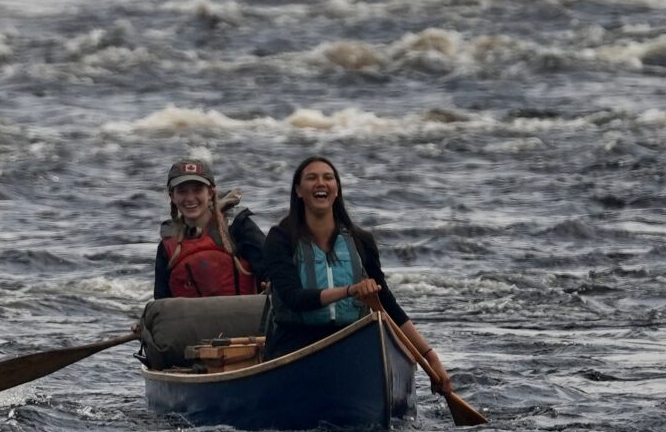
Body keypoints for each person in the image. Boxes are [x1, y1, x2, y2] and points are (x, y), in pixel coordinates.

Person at [259, 154, 451, 392]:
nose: (321, 183)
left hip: (351, 343)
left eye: (328, 178)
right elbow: (293, 298)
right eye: (312, 178)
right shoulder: (279, 239)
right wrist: (350, 290)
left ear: (336, 190)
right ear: (299, 191)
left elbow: (387, 305)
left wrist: (430, 357)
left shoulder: (361, 241)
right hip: (294, 344)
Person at [154, 157, 266, 299]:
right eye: (182, 191)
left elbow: (272, 270)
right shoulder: (167, 245)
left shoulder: (238, 226)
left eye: (197, 190)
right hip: (190, 321)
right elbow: (161, 301)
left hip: (244, 319)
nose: (190, 198)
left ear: (210, 193)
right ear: (172, 197)